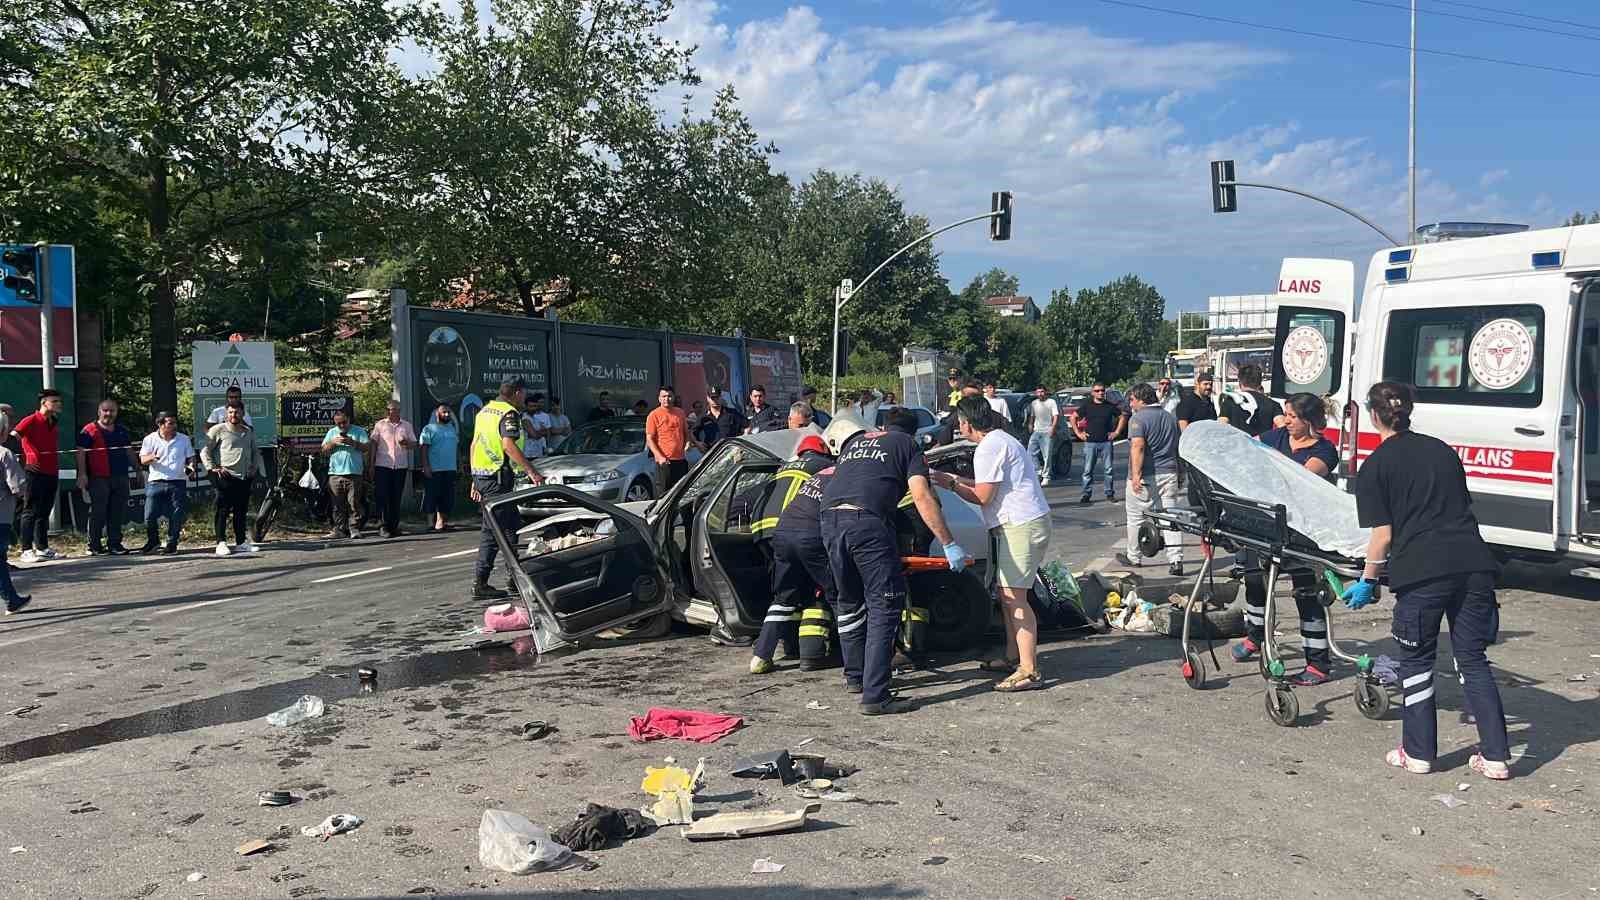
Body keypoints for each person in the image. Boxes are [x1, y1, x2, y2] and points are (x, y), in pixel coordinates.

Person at [1346, 382, 1510, 779]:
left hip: (1422, 571)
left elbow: (1382, 535)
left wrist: (1368, 579)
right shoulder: (1442, 450)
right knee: (1472, 660)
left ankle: (1418, 753)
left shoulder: (1376, 466)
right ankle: (1496, 758)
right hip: (1473, 563)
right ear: (1409, 412)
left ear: (1372, 416)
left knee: (1417, 660)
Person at [819, 413, 968, 715]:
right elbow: (922, 496)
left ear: (883, 427)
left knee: (849, 601)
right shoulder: (907, 446)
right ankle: (876, 696)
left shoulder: (856, 443)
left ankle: (856, 676)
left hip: (830, 521)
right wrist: (949, 544)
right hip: (866, 522)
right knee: (884, 605)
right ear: (913, 432)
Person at [933, 396, 1051, 692]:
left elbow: (983, 497)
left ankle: (1029, 669)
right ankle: (1014, 657)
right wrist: (952, 477)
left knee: (1014, 598)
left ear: (966, 423)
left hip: (1020, 525)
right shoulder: (1001, 440)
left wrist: (949, 485)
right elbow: (988, 484)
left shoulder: (988, 447)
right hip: (1023, 522)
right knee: (1008, 593)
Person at [1230, 393, 1341, 682]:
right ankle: (1256, 636)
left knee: (1306, 593)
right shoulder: (1276, 437)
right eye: (1286, 415)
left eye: (1292, 416)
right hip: (1265, 525)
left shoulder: (1325, 451)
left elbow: (1297, 481)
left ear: (1309, 420)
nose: (1286, 421)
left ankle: (1317, 663)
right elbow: (1246, 448)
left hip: (1303, 533)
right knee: (1253, 580)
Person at [747, 434, 837, 674]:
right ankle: (846, 655)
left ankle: (763, 655)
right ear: (824, 452)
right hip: (800, 529)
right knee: (829, 591)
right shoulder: (824, 466)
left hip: (767, 533)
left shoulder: (784, 466)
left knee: (785, 595)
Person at [471, 377, 545, 601]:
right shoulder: (508, 413)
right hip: (498, 479)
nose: (524, 398)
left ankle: (491, 581)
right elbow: (508, 445)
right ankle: (510, 581)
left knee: (496, 528)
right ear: (517, 393)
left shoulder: (485, 411)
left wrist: (475, 479)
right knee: (503, 529)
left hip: (484, 476)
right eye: (523, 394)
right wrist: (533, 472)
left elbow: (475, 444)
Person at [1117, 383, 1183, 576]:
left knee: (1136, 518)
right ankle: (1176, 560)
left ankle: (1134, 557)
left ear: (1141, 399)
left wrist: (1136, 476)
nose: (1131, 404)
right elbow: (1177, 447)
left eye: (1132, 400)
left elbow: (1138, 447)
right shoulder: (1170, 417)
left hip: (1147, 475)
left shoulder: (1138, 419)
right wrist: (1181, 472)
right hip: (1169, 472)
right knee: (1171, 518)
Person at [77, 398, 138, 556]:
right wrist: (82, 474)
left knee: (117, 512)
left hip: (121, 477)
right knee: (98, 512)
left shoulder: (121, 430)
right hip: (98, 478)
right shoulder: (89, 430)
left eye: (112, 411)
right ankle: (94, 546)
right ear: (99, 412)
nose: (108, 414)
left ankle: (115, 544)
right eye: (105, 410)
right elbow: (81, 453)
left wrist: (137, 470)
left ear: (116, 413)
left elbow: (129, 451)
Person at [203, 401, 261, 556]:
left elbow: (255, 452)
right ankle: (221, 543)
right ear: (226, 414)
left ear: (242, 413)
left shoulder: (248, 431)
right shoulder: (218, 429)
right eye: (230, 412)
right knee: (222, 510)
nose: (233, 415)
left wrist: (254, 468)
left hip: (244, 478)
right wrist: (213, 468)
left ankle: (241, 542)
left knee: (240, 511)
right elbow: (205, 452)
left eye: (236, 412)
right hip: (225, 476)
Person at [12, 389, 63, 563]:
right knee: (30, 511)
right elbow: (12, 439)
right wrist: (24, 461)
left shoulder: (53, 421)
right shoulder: (30, 420)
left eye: (58, 401)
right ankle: (26, 550)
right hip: (34, 473)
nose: (58, 404)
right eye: (54, 401)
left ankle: (42, 548)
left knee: (44, 511)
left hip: (51, 472)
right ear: (43, 402)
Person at [138, 412, 195, 555]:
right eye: (171, 423)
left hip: (177, 481)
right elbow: (143, 460)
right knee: (149, 515)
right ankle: (153, 541)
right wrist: (153, 457)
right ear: (160, 424)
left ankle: (171, 544)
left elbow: (191, 457)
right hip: (155, 481)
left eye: (175, 423)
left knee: (175, 515)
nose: (174, 426)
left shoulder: (184, 439)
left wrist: (192, 467)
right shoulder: (149, 439)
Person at [369, 401, 418, 538]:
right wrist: (371, 465)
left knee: (396, 497)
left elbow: (414, 443)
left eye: (394, 410)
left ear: (399, 411)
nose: (391, 412)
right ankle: (383, 526)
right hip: (383, 465)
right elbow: (373, 444)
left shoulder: (406, 425)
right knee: (382, 496)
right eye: (389, 410)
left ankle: (394, 526)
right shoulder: (380, 425)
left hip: (400, 466)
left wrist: (406, 443)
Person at [0, 411, 32, 613]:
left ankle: (11, 598)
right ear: (3, 431)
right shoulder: (4, 454)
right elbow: (17, 486)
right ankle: (11, 599)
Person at [321, 408, 369, 540]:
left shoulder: (359, 431)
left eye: (344, 422)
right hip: (335, 473)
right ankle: (340, 529)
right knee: (337, 504)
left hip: (354, 472)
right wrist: (332, 443)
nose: (342, 425)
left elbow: (367, 448)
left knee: (354, 503)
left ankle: (354, 528)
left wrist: (352, 442)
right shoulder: (332, 433)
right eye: (339, 423)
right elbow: (324, 450)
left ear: (349, 419)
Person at [1073, 383, 1124, 504]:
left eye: (1102, 390)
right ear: (1093, 393)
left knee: (1108, 470)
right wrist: (1078, 433)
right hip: (1090, 443)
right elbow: (1073, 417)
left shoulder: (1109, 406)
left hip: (1106, 442)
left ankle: (1109, 493)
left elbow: (1122, 416)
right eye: (1097, 391)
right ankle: (1086, 494)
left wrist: (1116, 432)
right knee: (1088, 470)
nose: (1100, 393)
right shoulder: (1087, 406)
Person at [419, 403, 460, 533]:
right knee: (432, 496)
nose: (447, 414)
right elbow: (423, 448)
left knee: (447, 497)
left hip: (450, 468)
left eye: (448, 412)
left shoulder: (452, 428)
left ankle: (441, 523)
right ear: (437, 413)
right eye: (444, 412)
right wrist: (426, 466)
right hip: (434, 469)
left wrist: (459, 464)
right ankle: (430, 523)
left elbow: (456, 447)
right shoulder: (428, 428)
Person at [645, 386, 691, 493]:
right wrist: (659, 457)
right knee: (663, 496)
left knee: (681, 493)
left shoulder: (680, 413)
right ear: (659, 399)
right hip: (664, 462)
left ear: (674, 397)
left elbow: (686, 432)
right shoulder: (653, 415)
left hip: (680, 461)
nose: (667, 399)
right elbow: (649, 439)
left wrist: (688, 443)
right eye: (664, 396)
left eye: (669, 396)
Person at [1221, 363, 1282, 437]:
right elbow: (1282, 427)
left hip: (1237, 446)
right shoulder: (1273, 404)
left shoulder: (1230, 402)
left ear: (1240, 383)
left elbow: (1220, 427)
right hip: (1263, 446)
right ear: (1260, 383)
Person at [1023, 386, 1060, 487]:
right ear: (1036, 393)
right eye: (1038, 392)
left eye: (1042, 392)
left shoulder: (1051, 402)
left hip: (1047, 431)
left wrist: (1053, 428)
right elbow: (1032, 415)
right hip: (1037, 431)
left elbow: (1056, 416)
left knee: (1047, 455)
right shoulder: (1034, 403)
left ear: (1045, 392)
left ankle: (1046, 476)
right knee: (1030, 452)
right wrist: (1030, 424)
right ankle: (1038, 471)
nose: (1040, 394)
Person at [934, 381, 982, 446]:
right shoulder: (954, 418)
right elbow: (943, 444)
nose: (970, 400)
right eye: (966, 397)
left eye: (973, 397)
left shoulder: (994, 417)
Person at [522, 393, 552, 460]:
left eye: (535, 406)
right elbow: (534, 435)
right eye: (530, 406)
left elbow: (547, 432)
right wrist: (540, 432)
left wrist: (538, 432)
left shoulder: (536, 418)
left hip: (538, 452)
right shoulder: (525, 419)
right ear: (526, 406)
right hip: (528, 454)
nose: (533, 408)